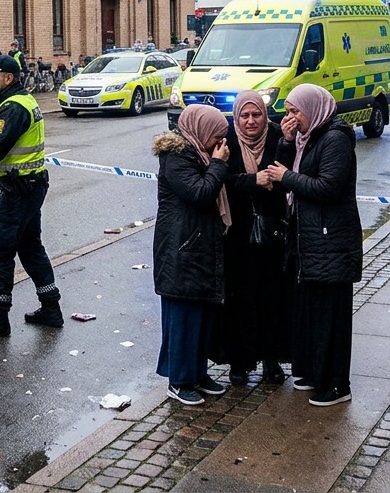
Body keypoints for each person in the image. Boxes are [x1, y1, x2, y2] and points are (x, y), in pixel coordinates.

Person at [264, 84, 363, 407]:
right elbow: (281, 174)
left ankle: (336, 383)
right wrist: (287, 142)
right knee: (311, 311)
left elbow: (328, 186)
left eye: (295, 112)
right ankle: (314, 372)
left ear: (314, 109)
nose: (290, 118)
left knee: (331, 315)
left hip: (330, 238)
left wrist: (287, 178)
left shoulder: (335, 138)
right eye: (288, 112)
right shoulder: (307, 138)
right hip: (310, 238)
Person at [150, 104, 231, 406]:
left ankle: (197, 373)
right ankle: (179, 379)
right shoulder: (177, 157)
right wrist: (219, 165)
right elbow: (200, 194)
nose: (221, 144)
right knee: (183, 317)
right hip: (180, 248)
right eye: (217, 137)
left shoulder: (200, 154)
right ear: (201, 132)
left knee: (201, 315)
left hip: (197, 245)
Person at [211, 89, 292, 386]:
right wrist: (252, 181)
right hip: (237, 234)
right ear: (236, 117)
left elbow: (288, 172)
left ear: (264, 114)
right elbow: (219, 180)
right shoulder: (226, 141)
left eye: (256, 114)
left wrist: (278, 171)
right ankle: (240, 362)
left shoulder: (276, 136)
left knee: (272, 296)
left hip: (272, 231)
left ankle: (271, 359)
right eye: (244, 115)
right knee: (239, 300)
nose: (250, 121)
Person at [0, 54, 61, 337]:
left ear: (9, 78)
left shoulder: (13, 108)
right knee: (30, 247)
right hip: (29, 186)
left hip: (19, 190)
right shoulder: (19, 101)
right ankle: (51, 307)